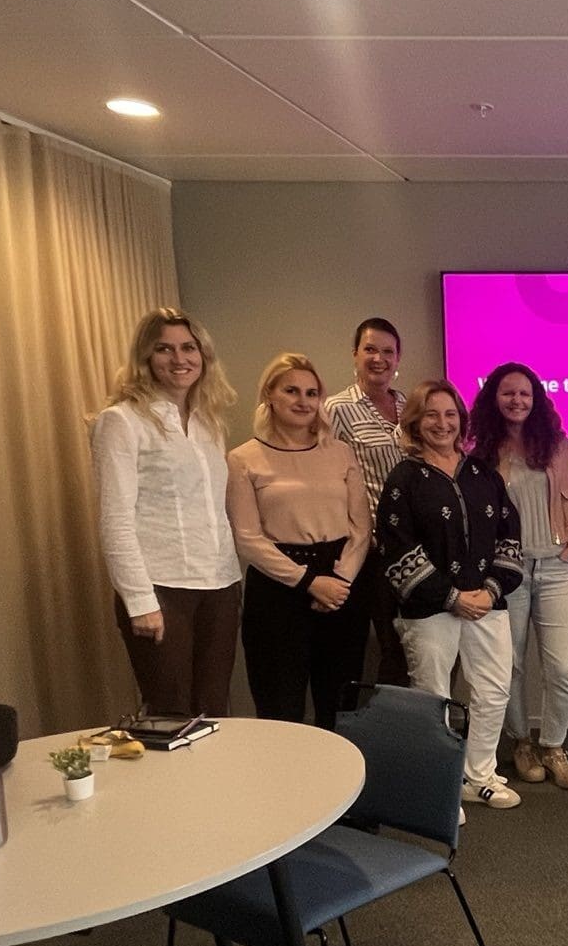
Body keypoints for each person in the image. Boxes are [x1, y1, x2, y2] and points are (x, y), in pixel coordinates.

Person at [379, 380, 525, 809]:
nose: (442, 423)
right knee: (433, 697)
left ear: (461, 420)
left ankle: (479, 775)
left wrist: (492, 588)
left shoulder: (483, 473)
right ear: (416, 422)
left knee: (493, 689)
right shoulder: (403, 479)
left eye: (449, 415)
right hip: (429, 610)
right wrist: (450, 597)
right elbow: (396, 549)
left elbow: (509, 537)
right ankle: (437, 787)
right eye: (431, 415)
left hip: (487, 604)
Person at [91, 307, 241, 717]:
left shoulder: (209, 423)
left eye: (189, 348)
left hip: (220, 586)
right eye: (165, 349)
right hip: (161, 588)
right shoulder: (121, 421)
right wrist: (139, 600)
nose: (180, 359)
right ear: (146, 357)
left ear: (203, 355)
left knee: (213, 712)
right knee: (170, 715)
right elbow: (115, 519)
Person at [226, 353, 371, 731]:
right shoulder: (243, 459)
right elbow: (247, 537)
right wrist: (308, 582)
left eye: (312, 392)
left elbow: (361, 527)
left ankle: (340, 787)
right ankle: (285, 789)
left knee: (339, 706)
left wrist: (340, 582)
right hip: (278, 591)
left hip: (342, 583)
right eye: (291, 390)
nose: (303, 400)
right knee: (280, 707)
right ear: (269, 395)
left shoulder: (340, 452)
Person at [468, 363, 568, 792]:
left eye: (524, 393)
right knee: (512, 665)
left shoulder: (558, 446)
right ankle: (521, 742)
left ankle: (554, 746)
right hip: (508, 573)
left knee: (561, 668)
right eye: (508, 393)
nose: (517, 400)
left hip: (556, 569)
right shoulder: (481, 450)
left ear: (536, 398)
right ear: (494, 398)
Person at [324, 317, 409, 686]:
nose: (379, 358)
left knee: (410, 644)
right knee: (375, 646)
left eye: (387, 351)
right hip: (370, 549)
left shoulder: (410, 406)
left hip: (412, 547)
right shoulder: (336, 409)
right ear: (355, 355)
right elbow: (323, 476)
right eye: (370, 349)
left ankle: (411, 729)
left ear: (397, 358)